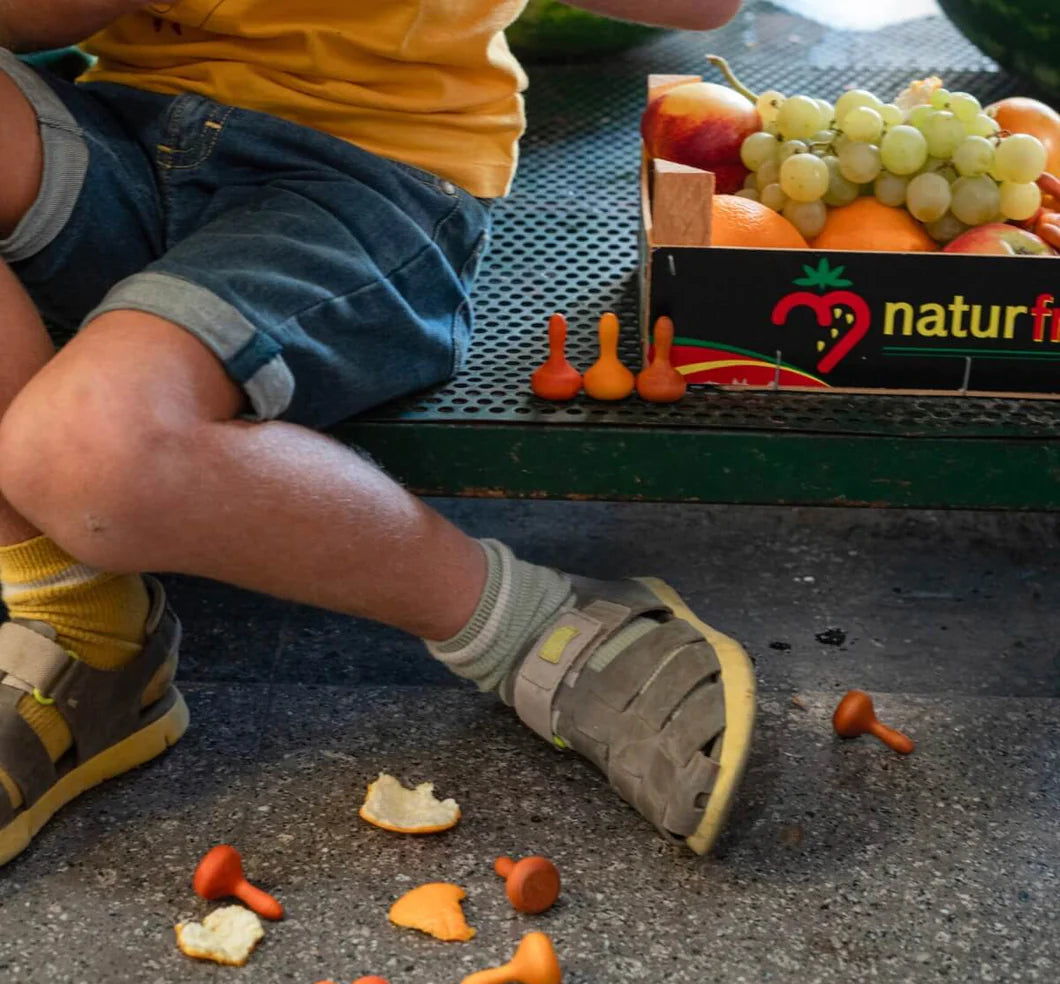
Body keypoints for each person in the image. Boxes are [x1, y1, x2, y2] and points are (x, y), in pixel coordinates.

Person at [0, 0, 753, 869]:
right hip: (120, 136)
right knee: (81, 457)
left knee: (90, 453)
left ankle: (524, 626)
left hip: (371, 180)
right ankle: (79, 622)